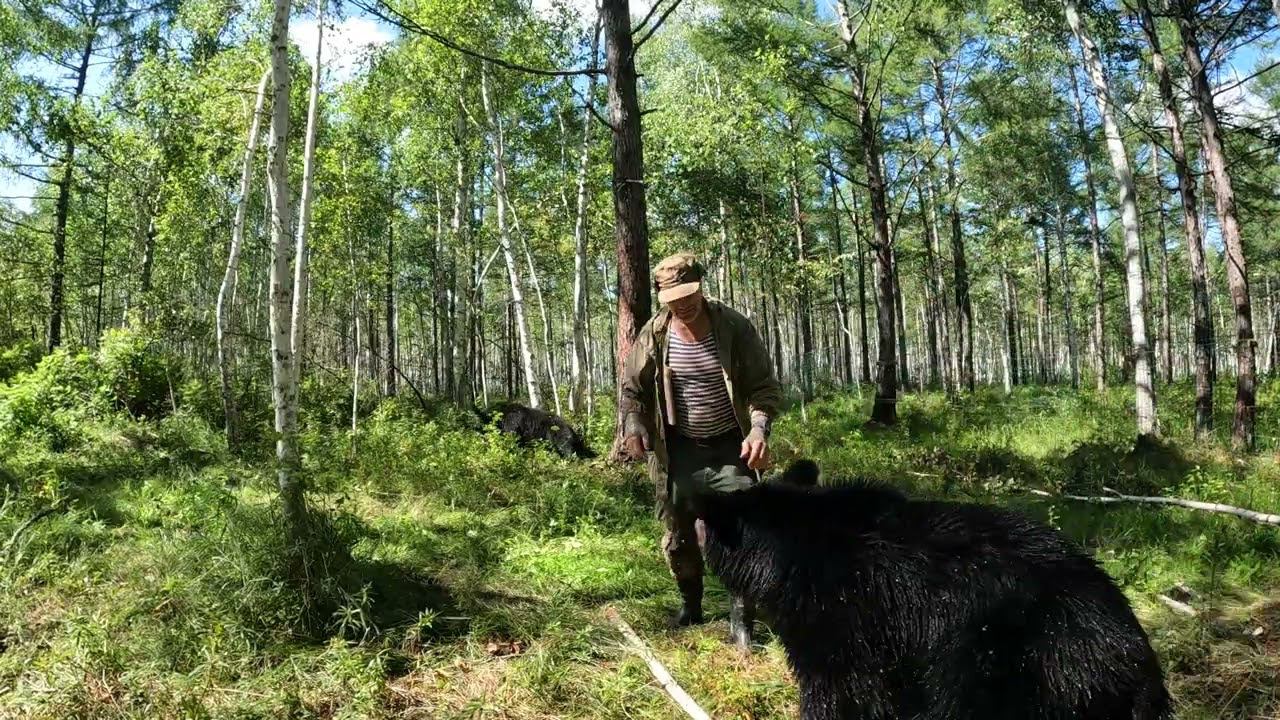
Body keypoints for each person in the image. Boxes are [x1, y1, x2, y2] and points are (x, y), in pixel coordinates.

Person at [619, 252, 781, 654]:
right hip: (678, 452)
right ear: (662, 298)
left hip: (730, 446)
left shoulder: (733, 328)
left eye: (688, 294)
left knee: (742, 534)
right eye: (673, 298)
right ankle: (690, 606)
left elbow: (764, 387)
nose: (683, 304)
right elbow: (632, 391)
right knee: (680, 534)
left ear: (701, 287)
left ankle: (742, 620)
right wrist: (635, 424)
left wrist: (759, 429)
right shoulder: (655, 334)